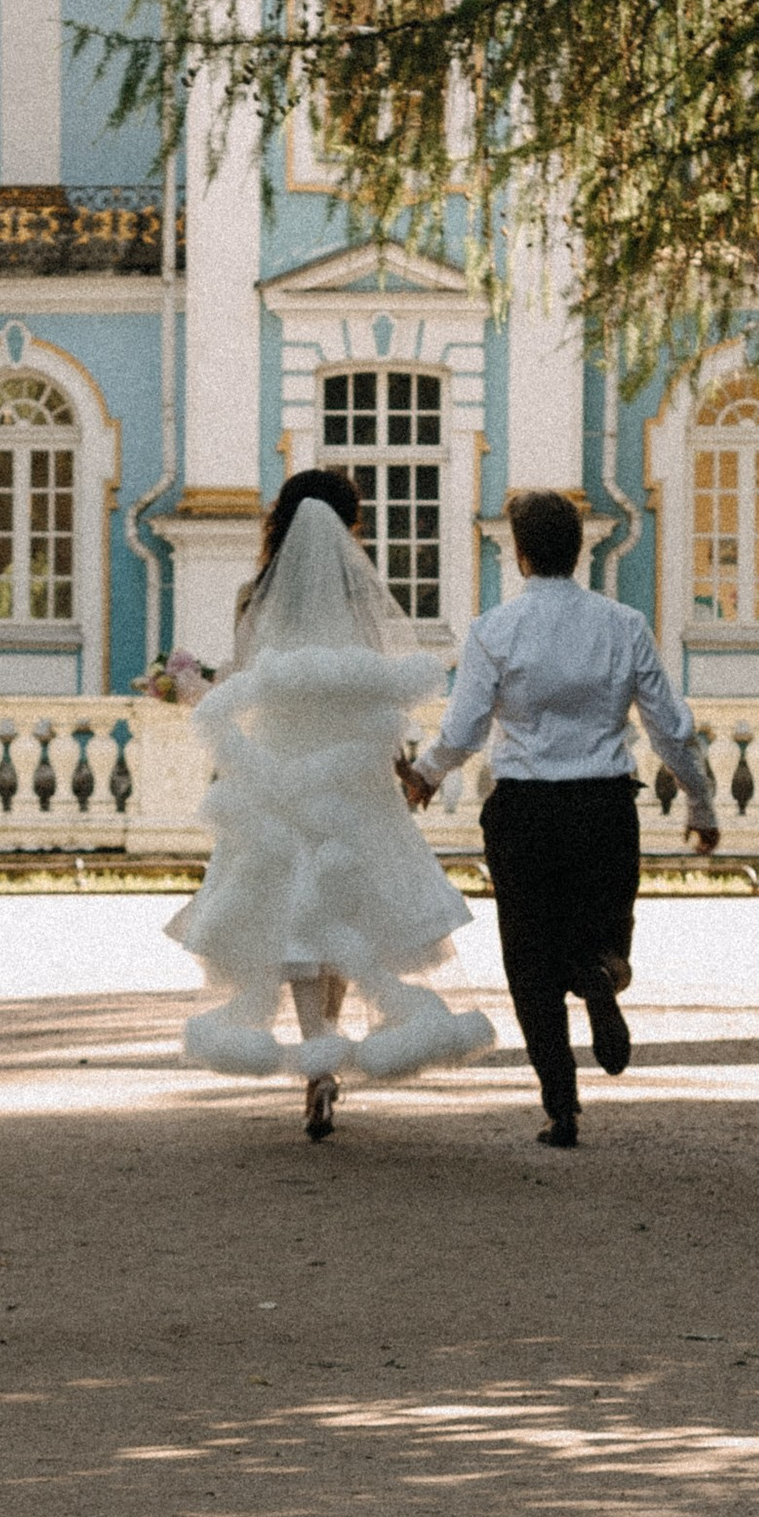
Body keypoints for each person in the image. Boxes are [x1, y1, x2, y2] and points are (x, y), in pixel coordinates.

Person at [169, 471, 494, 1140]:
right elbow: (377, 691)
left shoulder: (253, 596)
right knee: (345, 910)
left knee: (291, 913)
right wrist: (401, 763)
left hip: (280, 774)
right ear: (349, 526)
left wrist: (193, 688)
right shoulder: (359, 595)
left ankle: (316, 1052)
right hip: (350, 776)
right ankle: (329, 1046)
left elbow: (245, 683)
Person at [399, 488, 721, 1150]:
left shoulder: (495, 630)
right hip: (604, 806)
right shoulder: (624, 625)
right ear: (578, 551)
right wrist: (700, 800)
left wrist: (426, 775)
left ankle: (562, 1107)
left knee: (530, 960)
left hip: (524, 811)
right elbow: (669, 725)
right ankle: (602, 977)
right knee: (605, 932)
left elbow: (463, 730)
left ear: (520, 555)